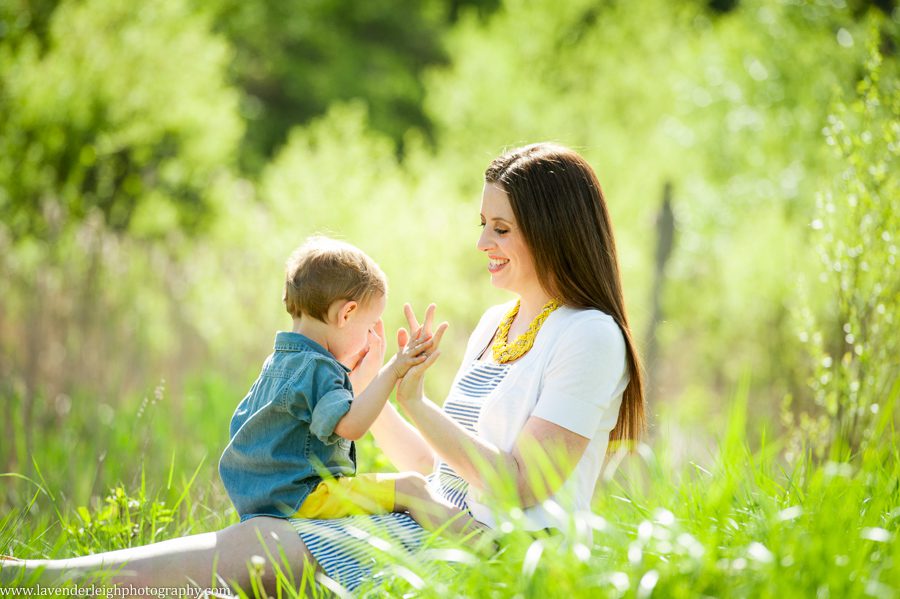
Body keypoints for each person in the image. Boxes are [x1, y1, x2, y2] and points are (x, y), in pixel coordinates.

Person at [1, 142, 645, 595]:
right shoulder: (493, 324)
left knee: (267, 554)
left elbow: (518, 489)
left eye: (501, 229)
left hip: (502, 559)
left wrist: (417, 403)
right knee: (249, 561)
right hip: (433, 523)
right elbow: (437, 470)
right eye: (483, 225)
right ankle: (57, 582)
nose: (482, 243)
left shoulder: (589, 336)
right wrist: (372, 388)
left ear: (553, 230)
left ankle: (40, 580)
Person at [218, 236, 473, 534]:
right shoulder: (318, 367)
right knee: (412, 487)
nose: (370, 337)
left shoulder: (281, 362)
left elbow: (330, 407)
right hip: (302, 498)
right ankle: (491, 550)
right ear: (346, 314)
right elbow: (351, 426)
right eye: (369, 327)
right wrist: (394, 369)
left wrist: (365, 375)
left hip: (263, 499)